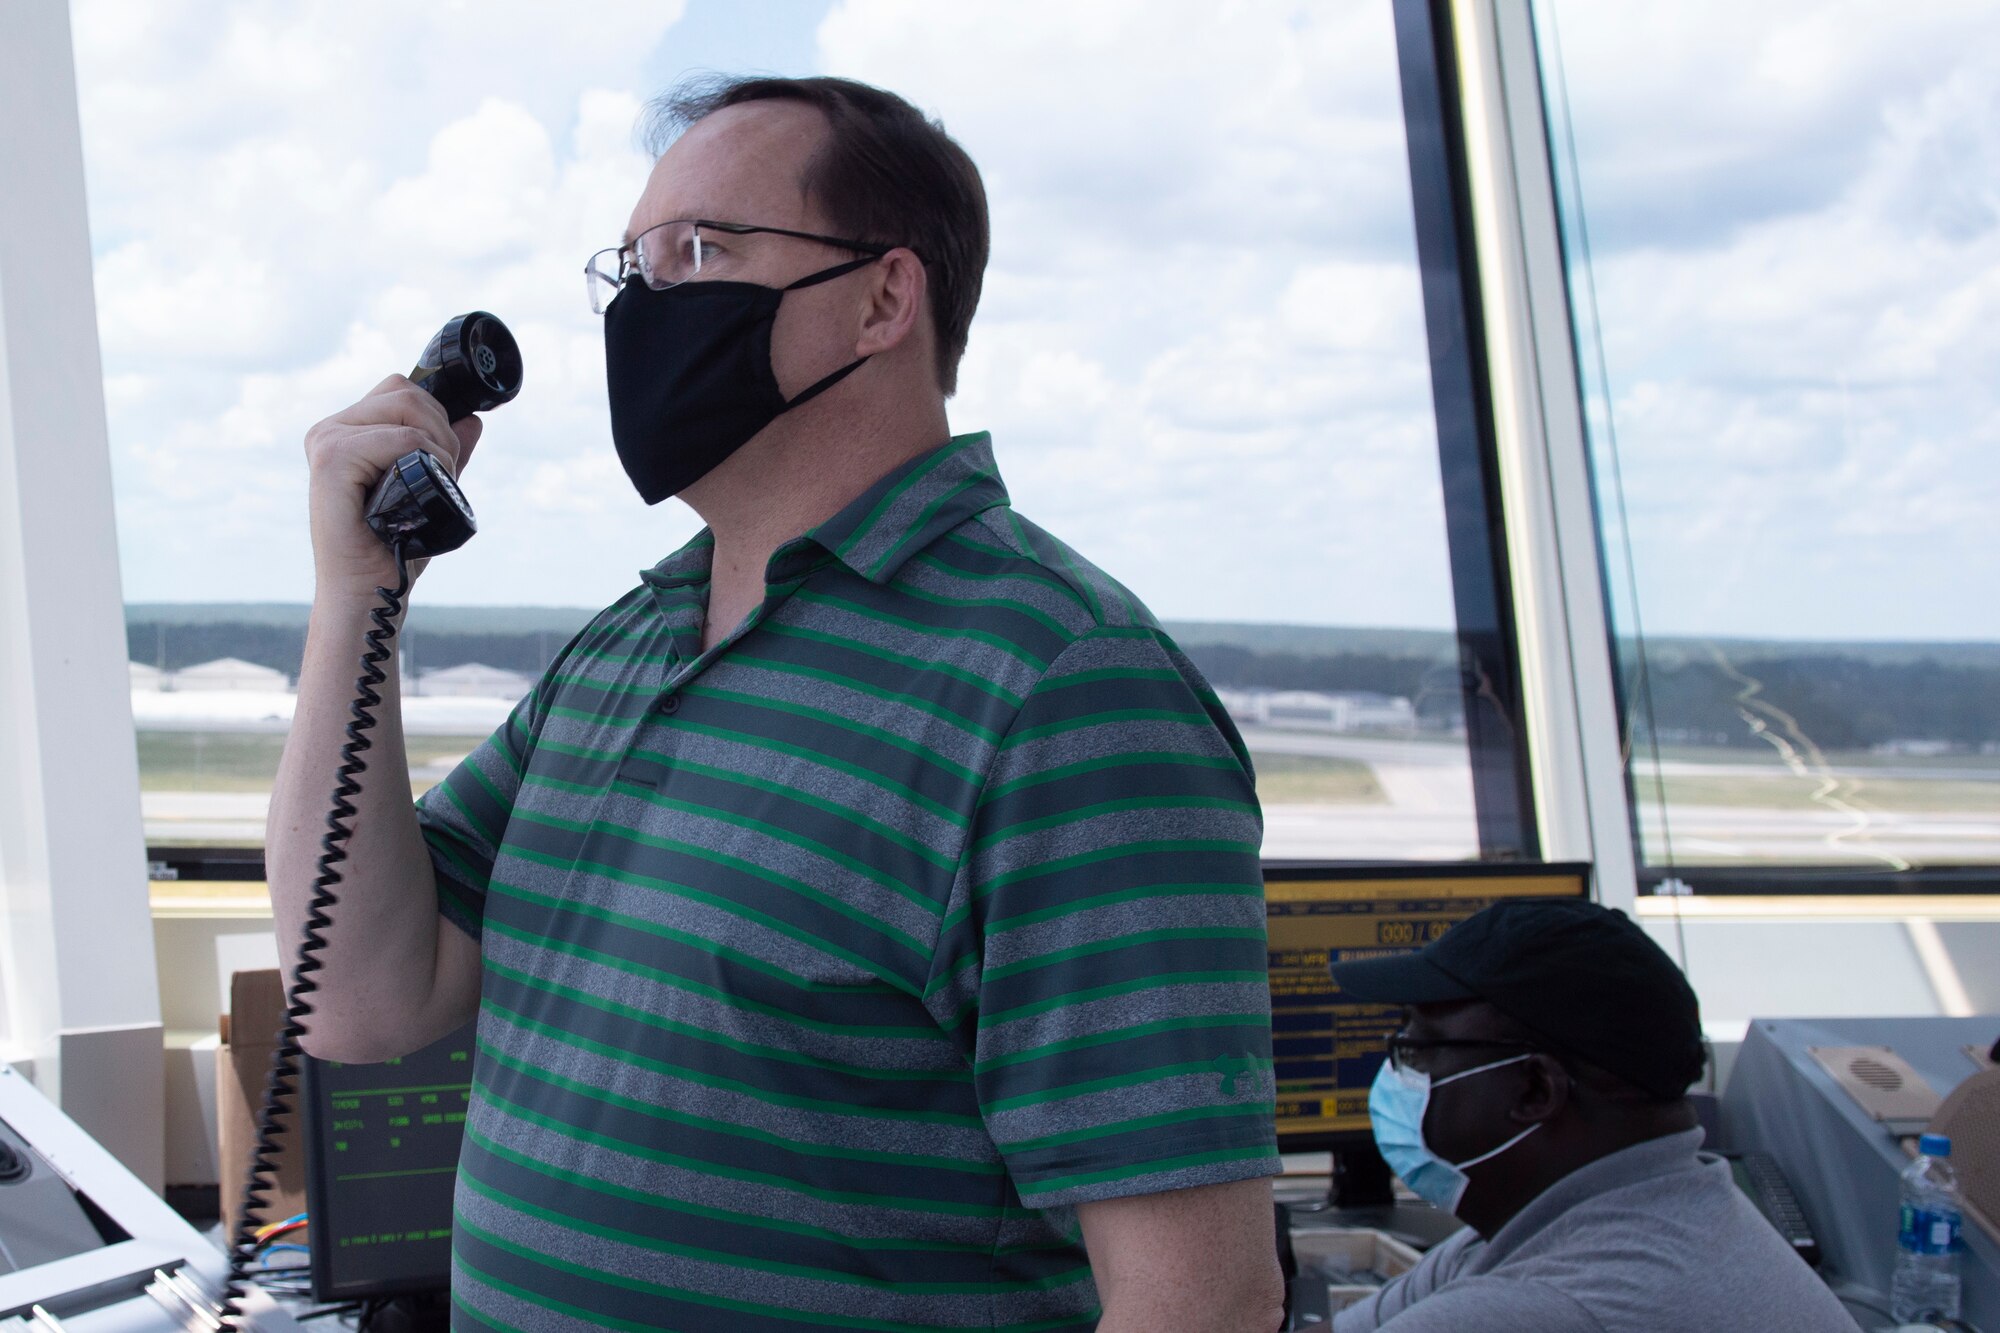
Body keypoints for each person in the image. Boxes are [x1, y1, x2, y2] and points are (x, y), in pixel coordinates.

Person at [268, 75, 1285, 1332]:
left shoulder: (1061, 687)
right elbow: (361, 997)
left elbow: (1205, 1301)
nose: (646, 306)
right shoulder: (627, 645)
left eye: (701, 250)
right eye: (629, 268)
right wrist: (355, 595)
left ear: (880, 299)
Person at [1326, 899, 1859, 1332]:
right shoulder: (1584, 1222)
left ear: (1535, 1090)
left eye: (1417, 1051)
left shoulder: (1548, 1305)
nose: (1398, 1076)